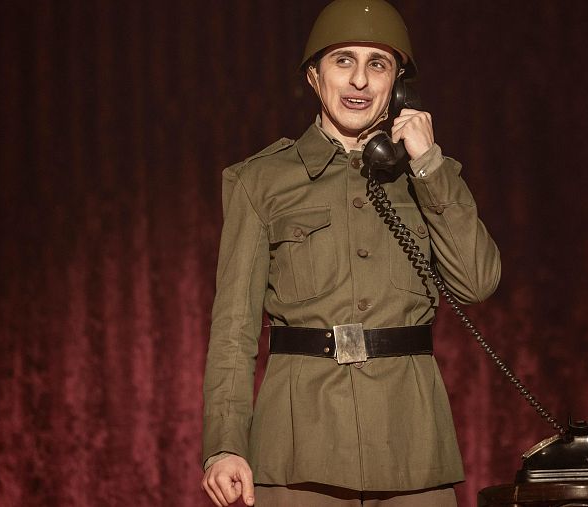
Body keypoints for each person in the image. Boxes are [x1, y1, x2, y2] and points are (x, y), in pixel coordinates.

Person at [200, 1, 501, 506]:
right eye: (343, 61)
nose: (359, 80)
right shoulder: (260, 181)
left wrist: (429, 164)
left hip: (412, 448)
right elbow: (233, 331)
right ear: (315, 78)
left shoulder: (427, 176)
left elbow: (477, 281)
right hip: (298, 450)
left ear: (399, 85)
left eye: (377, 64)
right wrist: (224, 446)